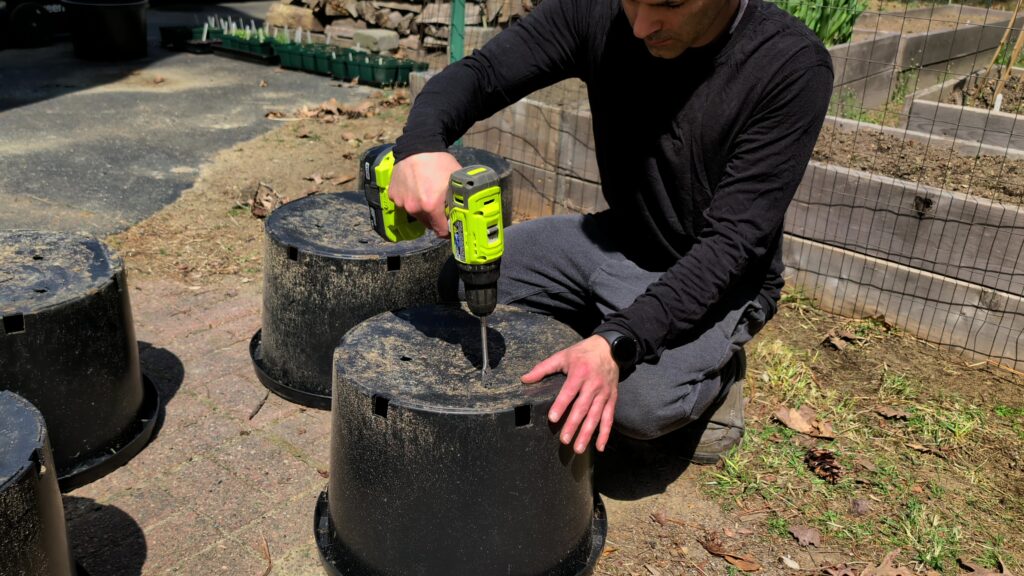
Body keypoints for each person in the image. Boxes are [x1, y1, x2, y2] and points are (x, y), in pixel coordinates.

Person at [386, 0, 833, 462]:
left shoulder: (790, 65)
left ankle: (719, 376)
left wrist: (613, 343)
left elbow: (730, 246)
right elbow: (482, 73)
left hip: (721, 279)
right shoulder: (598, 12)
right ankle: (611, 327)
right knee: (459, 281)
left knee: (639, 407)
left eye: (669, 5)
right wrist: (420, 146)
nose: (640, 26)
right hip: (618, 239)